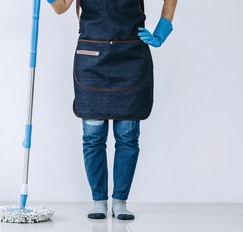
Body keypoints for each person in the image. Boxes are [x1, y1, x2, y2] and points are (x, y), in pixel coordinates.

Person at [48, 0, 178, 220]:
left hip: (131, 56)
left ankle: (120, 202)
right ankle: (99, 201)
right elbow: (61, 7)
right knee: (92, 136)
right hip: (92, 59)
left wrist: (161, 33)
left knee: (127, 135)